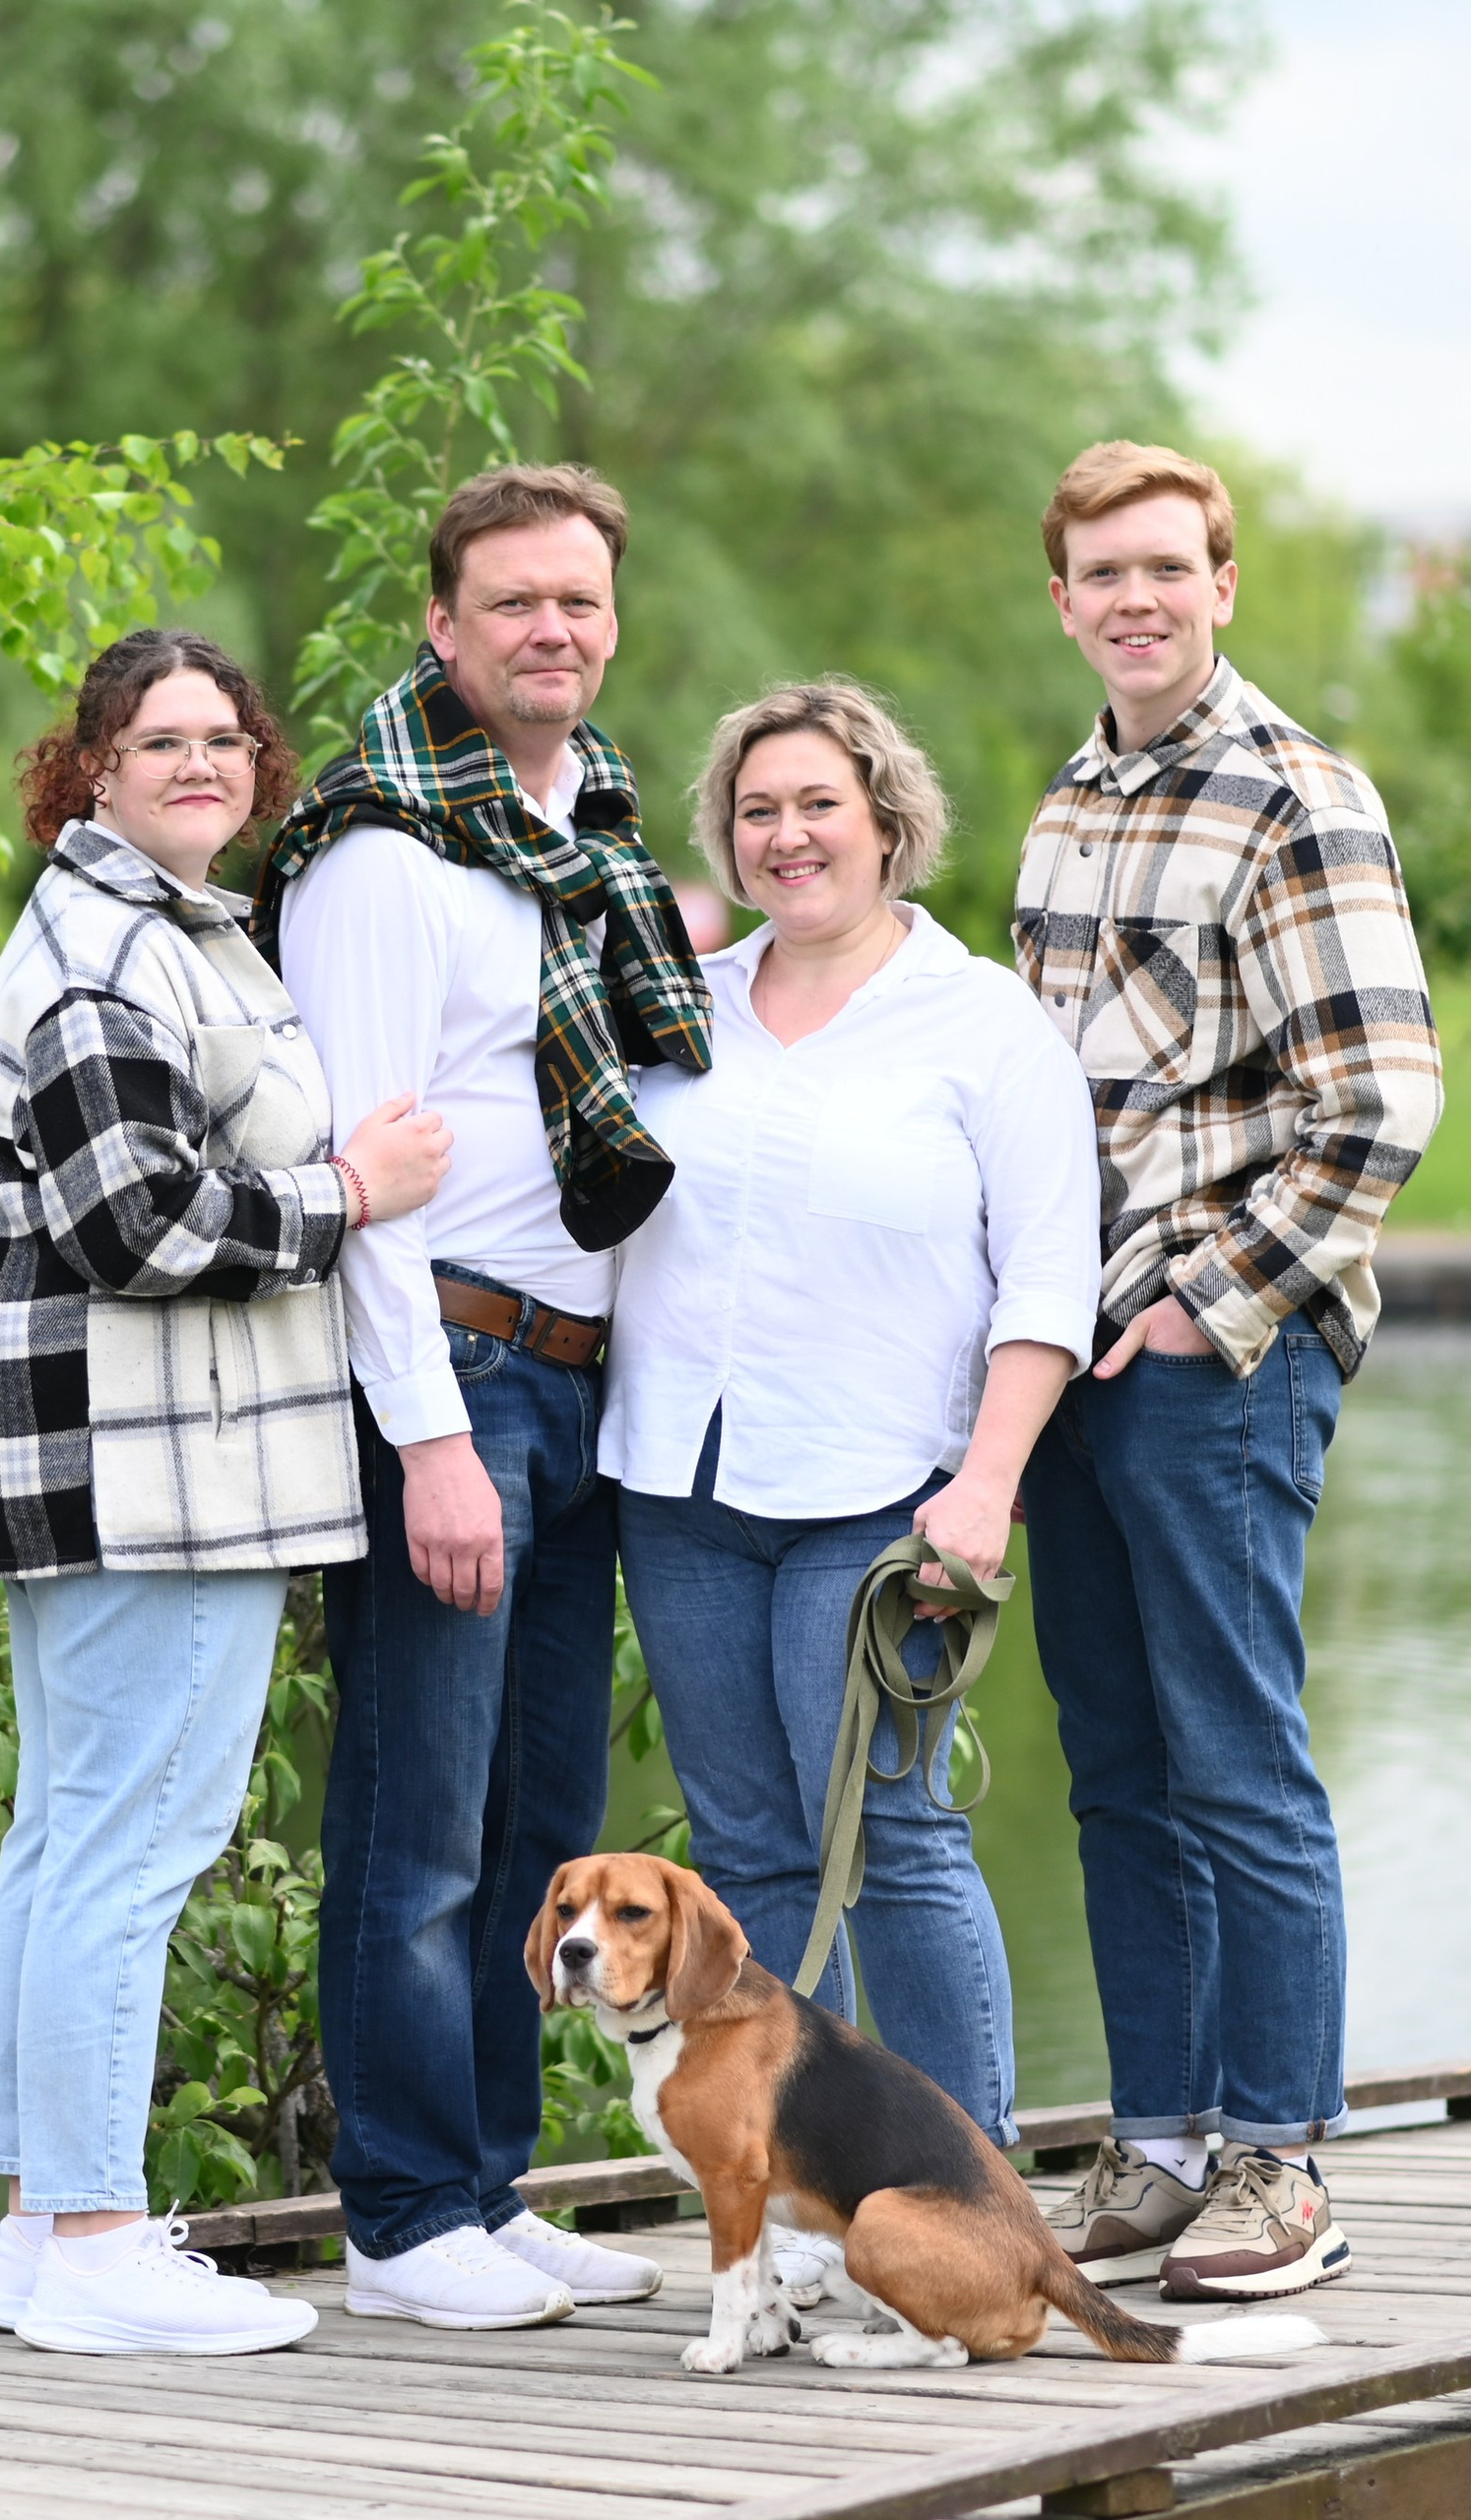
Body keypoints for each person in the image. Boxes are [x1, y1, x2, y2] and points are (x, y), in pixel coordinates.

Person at [0, 627, 451, 2356]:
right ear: (90, 769)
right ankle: (90, 2237)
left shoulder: (167, 936)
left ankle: (37, 2233)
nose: (201, 762)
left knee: (70, 1840)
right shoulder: (103, 964)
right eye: (160, 741)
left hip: (151, 1470)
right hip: (142, 1478)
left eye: (226, 737)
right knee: (130, 1849)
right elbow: (136, 1224)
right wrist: (349, 1195)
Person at [255, 464, 712, 2329]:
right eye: (513, 602)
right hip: (449, 1372)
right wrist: (429, 1442)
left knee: (541, 1835)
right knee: (417, 1826)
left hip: (581, 1385)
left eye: (581, 604)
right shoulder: (383, 857)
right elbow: (358, 1171)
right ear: (443, 627)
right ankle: (398, 2218)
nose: (553, 631)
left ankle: (488, 2183)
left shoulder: (586, 840)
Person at [1014, 442, 1442, 2303]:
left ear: (1223, 582)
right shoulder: (1067, 810)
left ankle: (1284, 2163)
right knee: (1115, 1767)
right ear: (1063, 600)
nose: (1136, 598)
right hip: (1075, 1359)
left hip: (1217, 1356)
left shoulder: (1296, 797)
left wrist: (1207, 1301)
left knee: (1238, 1760)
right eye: (1102, 573)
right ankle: (1164, 2143)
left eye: (1167, 568)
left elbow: (1384, 1106)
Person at [605, 681, 1100, 2236]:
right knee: (741, 1858)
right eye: (758, 811)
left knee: (893, 1838)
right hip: (680, 1485)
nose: (788, 834)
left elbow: (1047, 1275)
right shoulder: (685, 1005)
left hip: (883, 1500)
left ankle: (971, 2201)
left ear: (889, 817)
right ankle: (802, 2207)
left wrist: (987, 1486)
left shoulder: (980, 1022)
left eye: (819, 803)